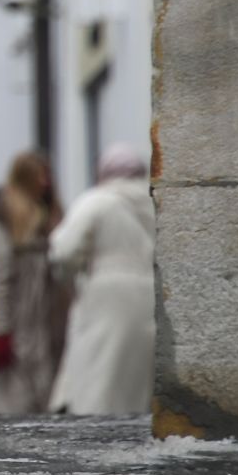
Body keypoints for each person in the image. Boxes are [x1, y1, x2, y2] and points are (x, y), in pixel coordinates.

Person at [48, 143, 153, 414]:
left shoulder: (97, 200)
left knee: (100, 376)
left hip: (106, 294)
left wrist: (70, 276)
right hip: (153, 295)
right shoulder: (158, 203)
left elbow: (65, 251)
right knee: (140, 380)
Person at [0, 150, 68, 414]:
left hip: (52, 320)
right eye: (39, 177)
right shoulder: (6, 219)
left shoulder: (51, 217)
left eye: (47, 176)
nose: (45, 183)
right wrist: (1, 331)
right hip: (21, 319)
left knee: (49, 390)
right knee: (19, 397)